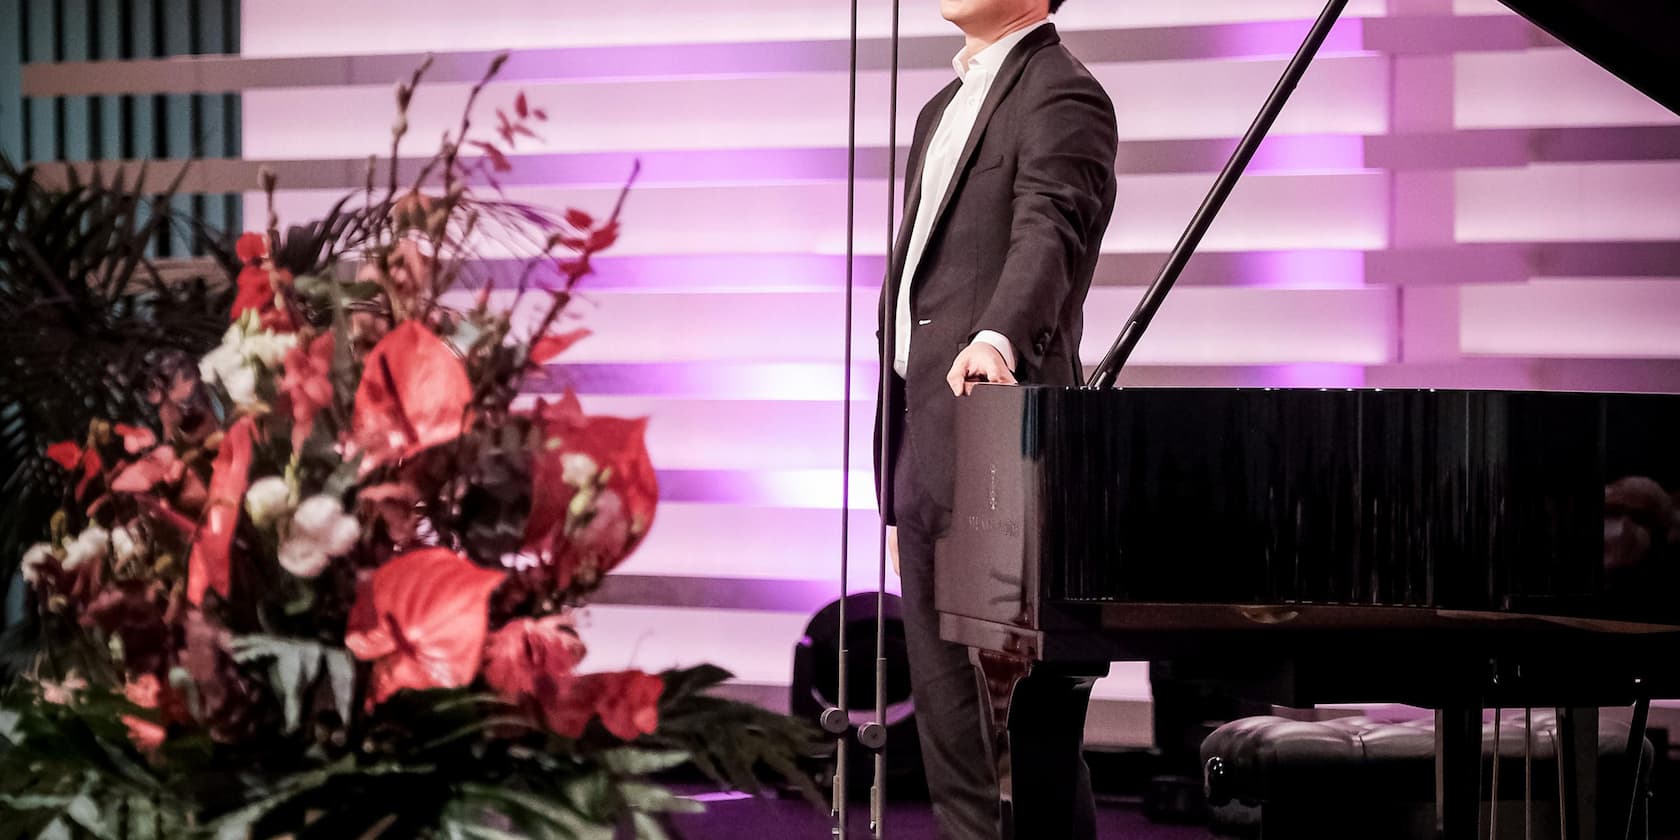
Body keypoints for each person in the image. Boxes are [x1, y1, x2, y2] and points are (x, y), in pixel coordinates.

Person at [876, 0, 1118, 837]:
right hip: (922, 429)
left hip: (1001, 428)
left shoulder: (1061, 91)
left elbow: (1049, 225)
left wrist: (999, 336)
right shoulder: (939, 108)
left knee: (1032, 728)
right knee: (946, 715)